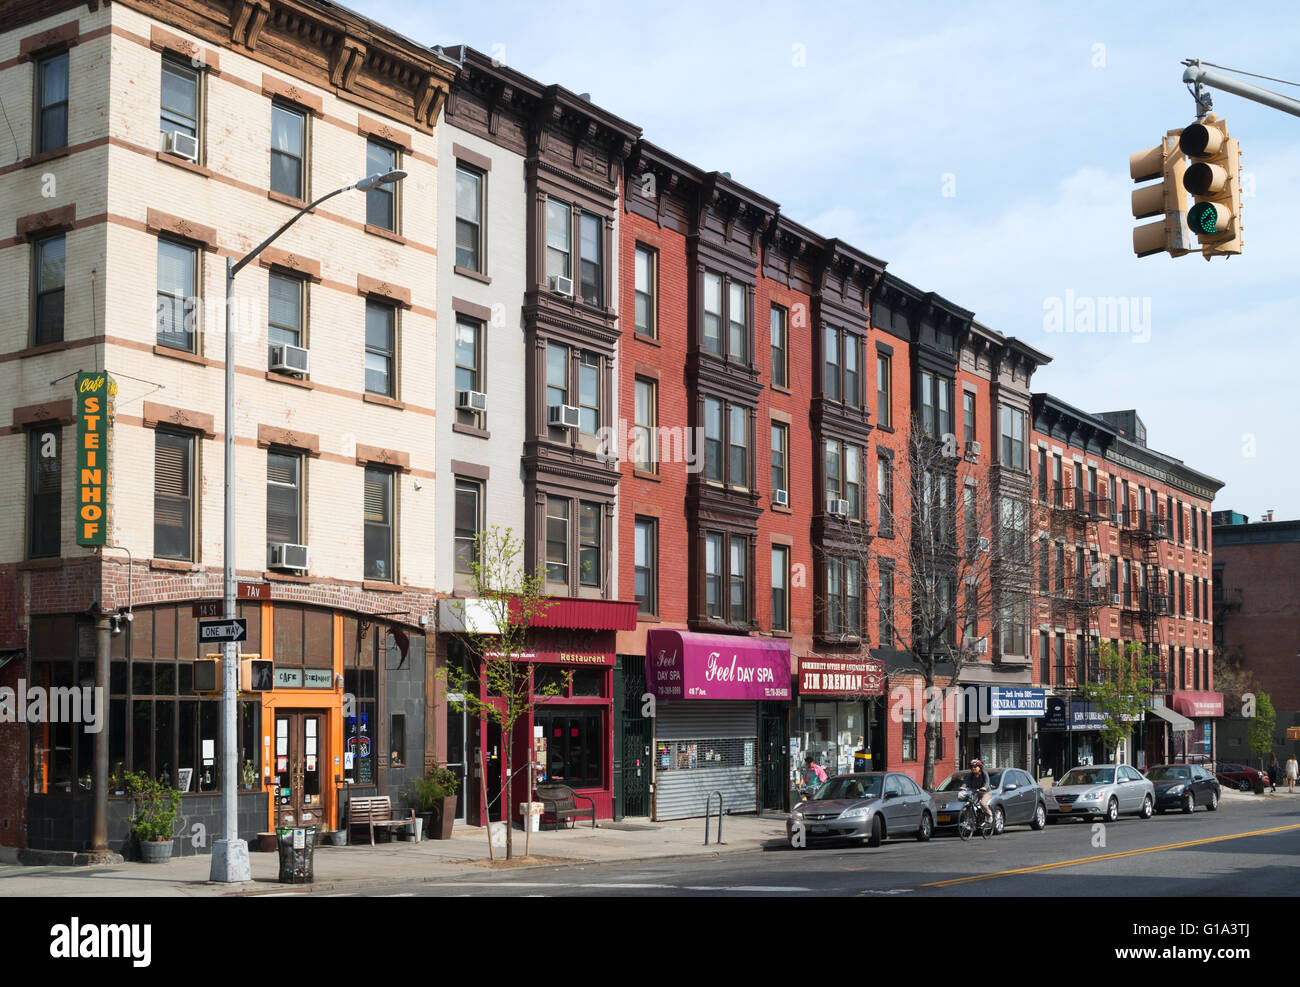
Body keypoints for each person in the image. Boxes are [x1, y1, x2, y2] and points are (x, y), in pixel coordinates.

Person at [965, 758, 993, 825]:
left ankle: (989, 816)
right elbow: (966, 782)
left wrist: (984, 787)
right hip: (976, 792)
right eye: (971, 767)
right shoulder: (970, 775)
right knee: (969, 806)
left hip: (986, 792)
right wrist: (963, 786)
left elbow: (987, 782)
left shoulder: (984, 773)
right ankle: (970, 823)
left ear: (980, 767)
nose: (973, 768)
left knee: (983, 804)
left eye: (975, 767)